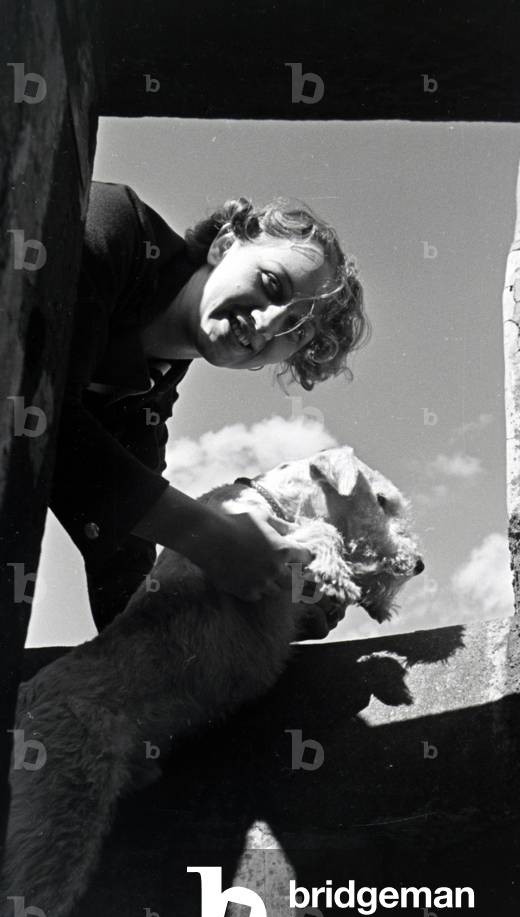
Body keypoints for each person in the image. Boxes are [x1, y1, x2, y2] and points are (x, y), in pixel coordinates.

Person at [50, 181, 369, 635]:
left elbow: (125, 564)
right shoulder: (110, 222)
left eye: (295, 331)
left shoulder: (148, 398)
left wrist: (259, 613)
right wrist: (206, 535)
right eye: (271, 284)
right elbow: (34, 407)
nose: (266, 323)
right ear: (225, 244)